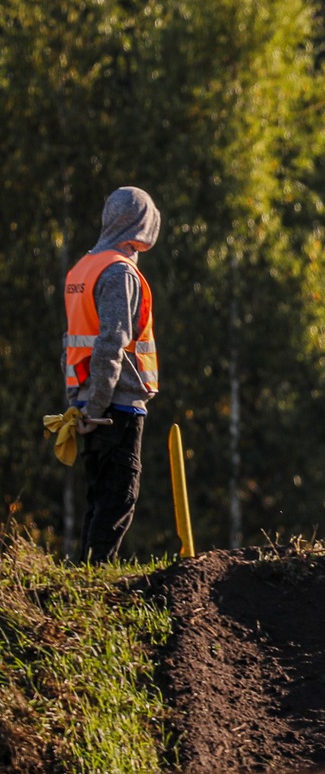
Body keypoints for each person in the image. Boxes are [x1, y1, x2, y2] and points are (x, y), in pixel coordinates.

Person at [62, 187, 162, 563]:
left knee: (98, 495)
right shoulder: (120, 271)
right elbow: (110, 344)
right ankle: (95, 573)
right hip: (114, 406)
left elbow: (71, 343)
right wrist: (99, 406)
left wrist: (80, 404)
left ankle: (84, 572)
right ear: (143, 224)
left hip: (88, 401)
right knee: (119, 494)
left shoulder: (82, 269)